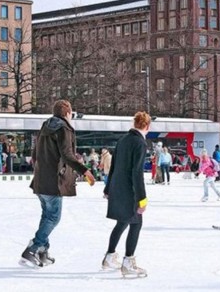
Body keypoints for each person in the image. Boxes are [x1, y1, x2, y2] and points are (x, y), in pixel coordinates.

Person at [21, 100, 95, 268]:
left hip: (41, 180)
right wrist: (85, 171)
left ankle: (43, 251)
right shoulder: (64, 128)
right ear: (67, 113)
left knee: (47, 216)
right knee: (54, 217)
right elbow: (68, 155)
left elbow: (35, 153)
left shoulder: (45, 126)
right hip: (54, 181)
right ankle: (32, 249)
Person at [102, 111, 151, 278]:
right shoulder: (140, 143)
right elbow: (137, 173)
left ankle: (109, 257)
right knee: (136, 224)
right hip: (130, 191)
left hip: (117, 188)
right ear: (147, 126)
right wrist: (142, 199)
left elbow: (113, 166)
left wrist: (108, 189)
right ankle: (128, 262)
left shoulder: (123, 140)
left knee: (122, 222)